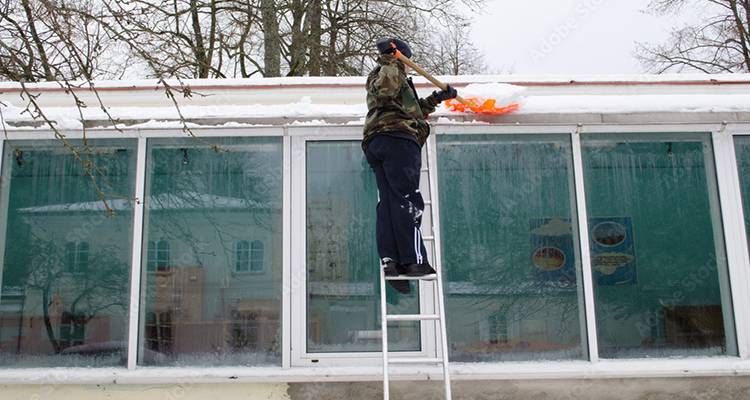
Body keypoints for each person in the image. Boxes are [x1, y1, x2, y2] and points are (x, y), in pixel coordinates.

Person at [362, 37, 458, 294]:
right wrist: (391, 59)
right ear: (400, 56)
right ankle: (414, 261)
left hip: (380, 141)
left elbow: (411, 109)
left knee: (390, 204)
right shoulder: (387, 72)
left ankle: (392, 261)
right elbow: (387, 91)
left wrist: (438, 98)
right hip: (398, 141)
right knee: (407, 200)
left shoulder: (388, 77)